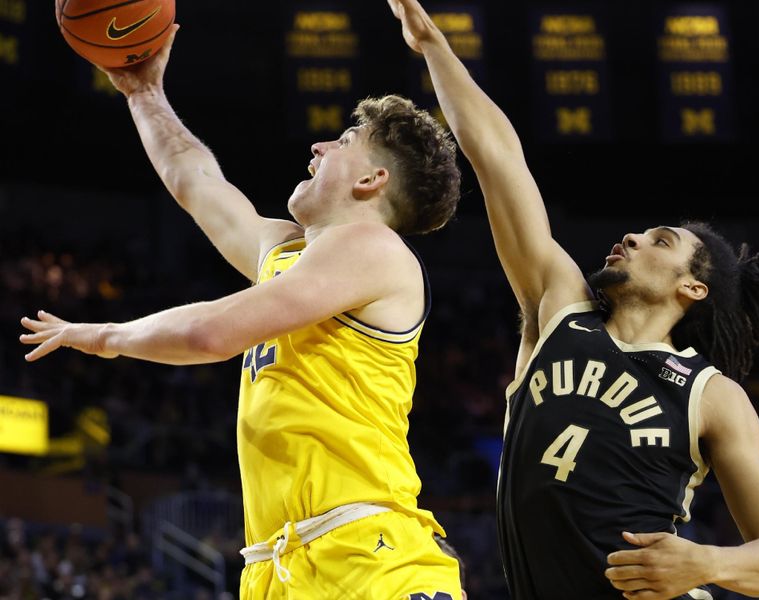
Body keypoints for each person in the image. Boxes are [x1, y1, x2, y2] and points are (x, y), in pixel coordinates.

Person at [21, 25, 465, 599]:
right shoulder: (291, 255)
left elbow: (210, 335)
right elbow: (196, 180)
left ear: (371, 179)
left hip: (368, 555)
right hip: (280, 563)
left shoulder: (372, 248)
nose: (319, 147)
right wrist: (143, 95)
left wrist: (105, 336)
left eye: (343, 140)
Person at [387, 0, 759, 598]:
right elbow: (500, 160)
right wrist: (434, 48)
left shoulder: (710, 394)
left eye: (659, 241)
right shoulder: (559, 308)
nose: (631, 236)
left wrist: (707, 564)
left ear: (693, 287)